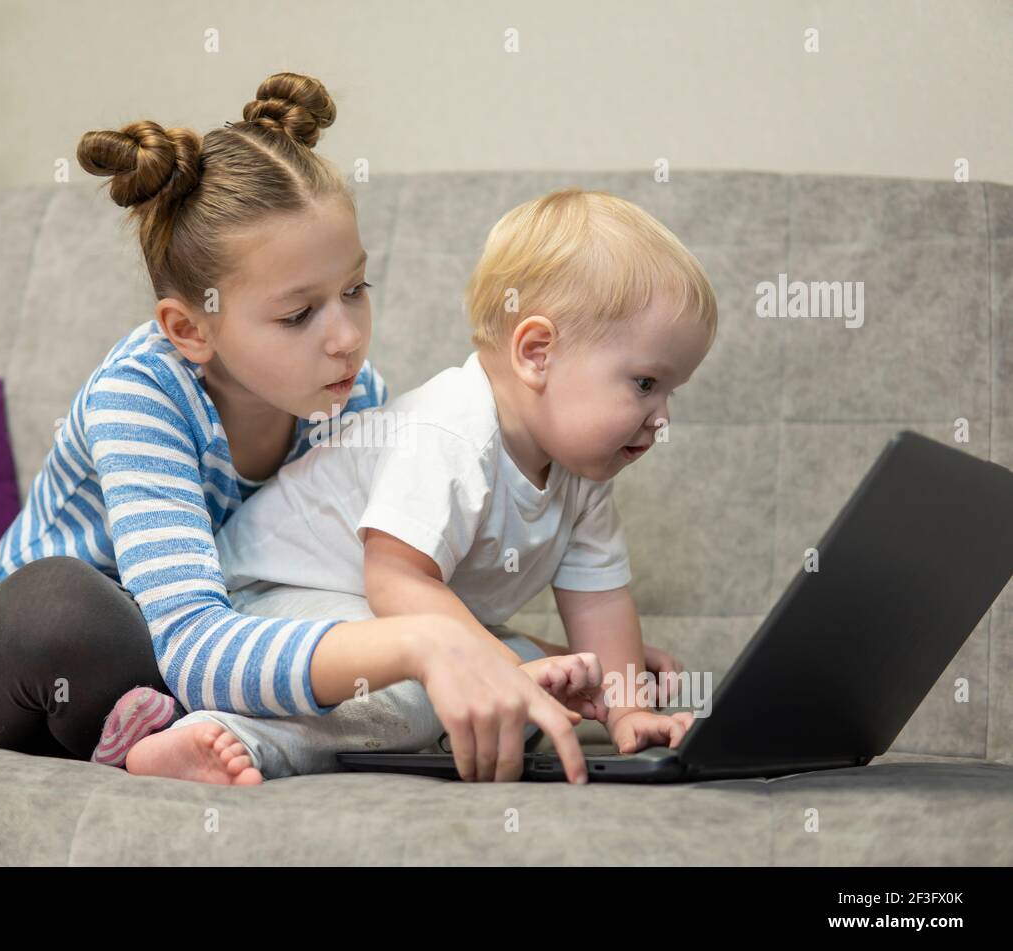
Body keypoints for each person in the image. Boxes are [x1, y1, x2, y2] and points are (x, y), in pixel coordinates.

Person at [0, 73, 598, 785]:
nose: (345, 336)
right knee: (65, 609)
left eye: (354, 290)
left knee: (378, 634)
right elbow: (191, 644)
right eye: (298, 314)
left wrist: (523, 656)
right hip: (43, 667)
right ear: (190, 329)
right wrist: (419, 646)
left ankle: (172, 737)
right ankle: (160, 725)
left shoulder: (350, 396)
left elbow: (384, 588)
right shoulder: (140, 396)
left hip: (220, 642)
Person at [124, 186, 717, 784]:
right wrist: (492, 670)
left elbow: (601, 597)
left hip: (377, 615)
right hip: (269, 602)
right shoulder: (451, 433)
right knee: (427, 690)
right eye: (645, 384)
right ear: (537, 353)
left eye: (672, 390)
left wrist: (628, 710)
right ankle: (230, 737)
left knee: (555, 670)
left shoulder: (583, 473)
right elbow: (397, 578)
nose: (662, 414)